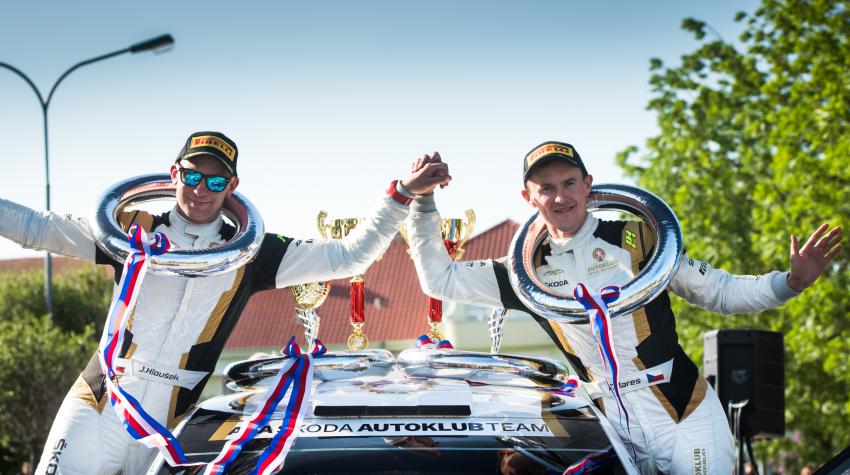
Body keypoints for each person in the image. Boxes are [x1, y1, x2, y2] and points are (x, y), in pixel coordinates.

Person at [0, 131, 450, 475]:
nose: (201, 188)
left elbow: (350, 255)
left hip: (171, 418)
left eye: (215, 180)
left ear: (231, 185)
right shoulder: (131, 229)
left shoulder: (253, 252)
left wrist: (402, 193)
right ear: (174, 174)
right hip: (100, 401)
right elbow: (38, 228)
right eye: (192, 176)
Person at [405, 142, 843, 474]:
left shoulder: (638, 239)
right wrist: (423, 201)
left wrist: (789, 283)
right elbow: (438, 279)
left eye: (569, 183)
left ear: (588, 185)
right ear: (529, 198)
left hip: (683, 414)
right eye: (547, 189)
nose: (560, 197)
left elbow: (719, 292)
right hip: (614, 430)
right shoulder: (523, 271)